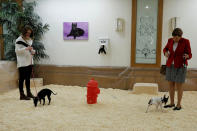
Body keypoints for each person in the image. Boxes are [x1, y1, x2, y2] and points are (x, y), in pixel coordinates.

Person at [163, 28, 192, 110]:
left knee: (179, 86)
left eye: (176, 38)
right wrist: (165, 52)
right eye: (173, 37)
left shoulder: (186, 41)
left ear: (180, 36)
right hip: (170, 65)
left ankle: (178, 105)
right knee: (170, 85)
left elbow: (189, 54)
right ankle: (172, 103)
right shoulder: (170, 40)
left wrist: (187, 56)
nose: (175, 39)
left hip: (180, 66)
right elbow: (165, 49)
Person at [15, 25, 36, 100]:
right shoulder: (19, 40)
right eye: (27, 33)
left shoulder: (30, 39)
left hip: (29, 61)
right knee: (22, 79)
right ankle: (22, 95)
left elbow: (30, 49)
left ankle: (29, 93)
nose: (28, 34)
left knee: (28, 78)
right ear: (24, 32)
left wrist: (33, 51)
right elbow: (17, 51)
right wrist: (26, 48)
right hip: (22, 62)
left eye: (29, 33)